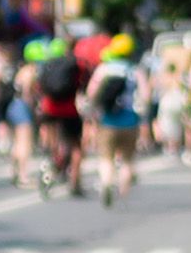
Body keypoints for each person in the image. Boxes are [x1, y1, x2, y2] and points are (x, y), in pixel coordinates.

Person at [86, 33, 144, 205]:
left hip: (107, 120)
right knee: (127, 159)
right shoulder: (135, 70)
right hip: (130, 120)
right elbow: (146, 94)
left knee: (106, 157)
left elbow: (92, 92)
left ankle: (106, 183)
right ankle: (123, 192)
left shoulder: (104, 69)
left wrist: (94, 109)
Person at [31, 35, 86, 193]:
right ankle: (75, 181)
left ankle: (53, 160)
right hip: (69, 109)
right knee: (75, 146)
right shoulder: (76, 65)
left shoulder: (46, 65)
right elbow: (82, 84)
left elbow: (38, 85)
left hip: (49, 108)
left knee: (52, 139)